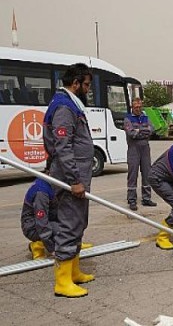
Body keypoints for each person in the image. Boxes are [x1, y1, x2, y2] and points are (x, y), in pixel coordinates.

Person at [43, 63, 95, 297]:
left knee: (78, 222)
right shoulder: (64, 107)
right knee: (69, 223)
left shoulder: (71, 104)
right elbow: (63, 147)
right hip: (69, 176)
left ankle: (73, 271)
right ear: (75, 83)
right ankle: (62, 282)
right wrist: (74, 179)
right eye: (85, 85)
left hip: (78, 174)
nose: (87, 89)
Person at [21, 167, 93, 260]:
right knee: (64, 231)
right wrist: (51, 249)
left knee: (73, 222)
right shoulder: (41, 191)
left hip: (50, 219)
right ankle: (38, 245)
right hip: (33, 227)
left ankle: (73, 242)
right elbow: (41, 223)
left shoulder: (54, 183)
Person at [124, 97, 156, 211]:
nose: (138, 109)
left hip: (145, 149)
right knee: (133, 175)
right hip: (133, 149)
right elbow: (131, 133)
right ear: (132, 107)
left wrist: (140, 131)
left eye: (139, 107)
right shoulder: (127, 119)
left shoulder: (146, 117)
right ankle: (132, 200)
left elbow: (152, 129)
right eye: (135, 107)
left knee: (147, 173)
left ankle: (146, 198)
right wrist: (143, 131)